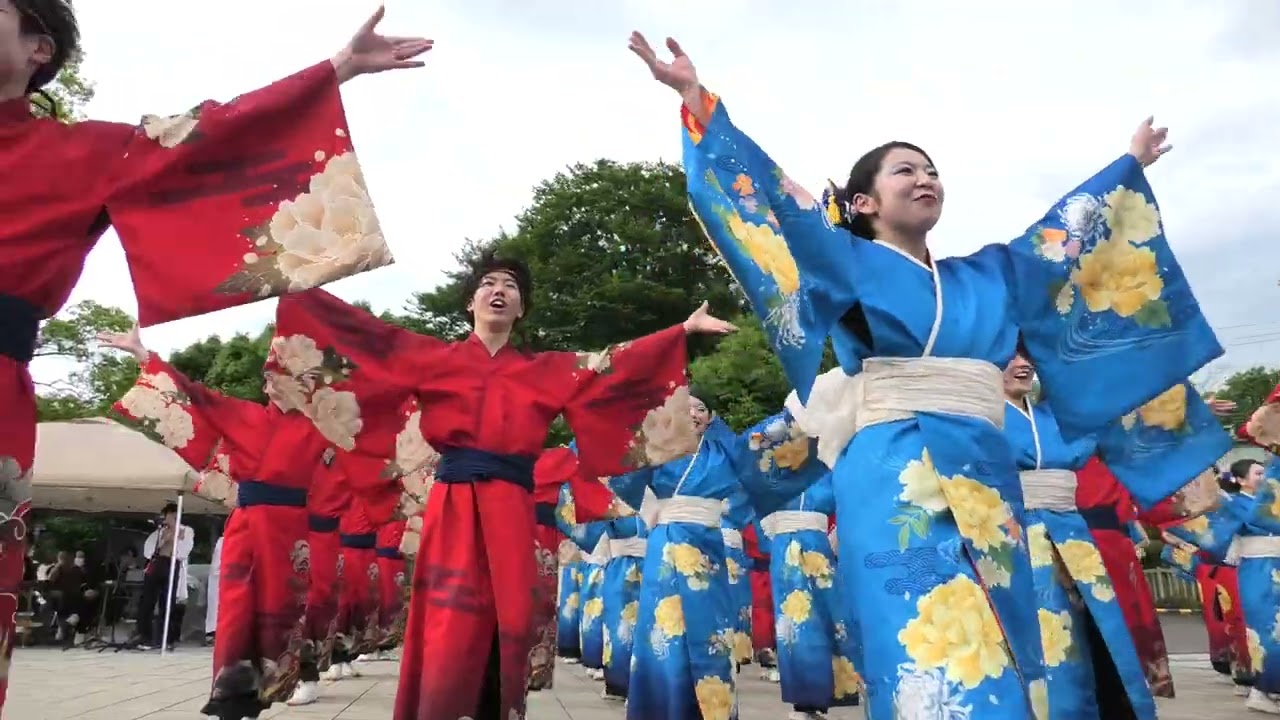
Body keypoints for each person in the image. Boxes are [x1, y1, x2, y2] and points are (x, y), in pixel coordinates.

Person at [629, 29, 1229, 719]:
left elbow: (1063, 237)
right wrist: (697, 100)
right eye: (905, 171)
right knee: (930, 652)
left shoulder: (991, 273)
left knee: (1003, 659)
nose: (925, 179)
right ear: (862, 203)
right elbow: (769, 196)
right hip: (895, 471)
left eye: (932, 169)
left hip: (985, 471)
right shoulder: (845, 261)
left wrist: (1126, 167)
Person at [0, 1, 428, 708]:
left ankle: (284, 676)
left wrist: (334, 71)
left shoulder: (85, 154)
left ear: (38, 49)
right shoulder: (258, 419)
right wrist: (147, 359)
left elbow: (211, 134)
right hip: (263, 524)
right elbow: (199, 404)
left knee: (293, 609)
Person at [266, 251, 735, 720]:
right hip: (452, 504)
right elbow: (367, 339)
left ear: (521, 307)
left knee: (507, 616)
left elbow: (612, 365)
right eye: (488, 283)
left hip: (511, 504)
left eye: (510, 286)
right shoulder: (431, 358)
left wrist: (681, 332)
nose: (499, 291)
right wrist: (299, 295)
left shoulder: (546, 370)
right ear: (470, 301)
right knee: (447, 616)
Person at [1001, 353, 1226, 718]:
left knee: (1101, 641)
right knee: (1041, 647)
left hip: (1078, 542)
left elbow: (1134, 434)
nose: (1021, 364)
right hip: (1013, 539)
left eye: (1027, 355)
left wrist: (1179, 425)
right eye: (1008, 356)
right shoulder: (977, 416)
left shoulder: (1062, 419)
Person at [605, 391, 824, 720]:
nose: (693, 413)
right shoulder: (659, 448)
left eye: (701, 408)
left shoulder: (727, 451)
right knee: (665, 627)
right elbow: (623, 476)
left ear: (711, 417)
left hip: (707, 547)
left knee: (713, 632)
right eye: (687, 408)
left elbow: (766, 451)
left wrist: (809, 414)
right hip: (666, 545)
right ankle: (661, 708)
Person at [758, 473, 861, 720]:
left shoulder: (825, 464)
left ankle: (829, 690)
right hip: (797, 544)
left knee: (827, 617)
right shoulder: (820, 468)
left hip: (811, 544)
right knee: (797, 624)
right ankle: (805, 700)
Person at [136, 502, 194, 650]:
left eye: (171, 517)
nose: (167, 520)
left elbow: (183, 552)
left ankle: (165, 638)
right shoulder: (158, 532)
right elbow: (148, 552)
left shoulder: (186, 531)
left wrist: (174, 537)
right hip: (156, 564)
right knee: (147, 601)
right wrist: (163, 540)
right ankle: (145, 636)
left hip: (172, 564)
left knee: (167, 602)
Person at [206, 534, 223, 643]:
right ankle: (213, 632)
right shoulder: (223, 541)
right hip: (220, 577)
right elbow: (216, 563)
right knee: (216, 606)